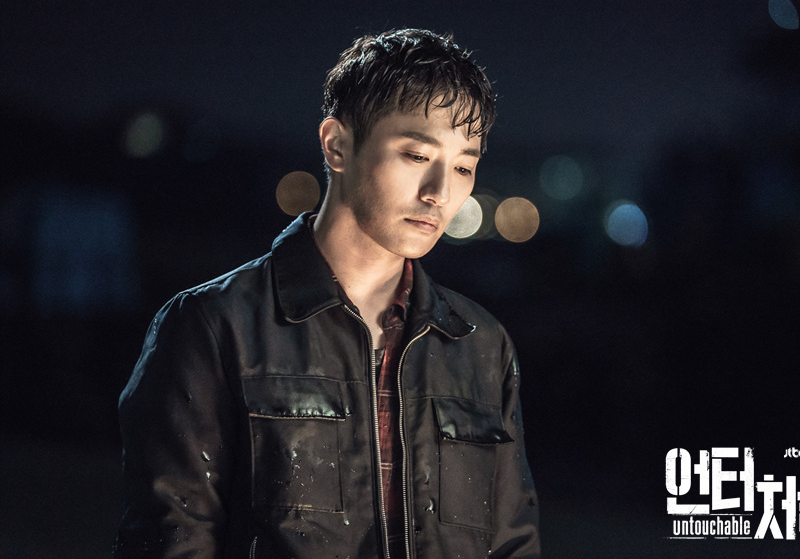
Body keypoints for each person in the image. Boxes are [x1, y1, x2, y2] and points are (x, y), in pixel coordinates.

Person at [114, 28, 540, 559]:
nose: (439, 193)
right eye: (415, 155)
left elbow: (511, 545)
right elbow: (172, 539)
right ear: (337, 145)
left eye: (463, 167)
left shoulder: (481, 345)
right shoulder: (215, 326)